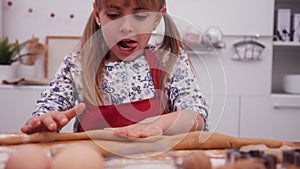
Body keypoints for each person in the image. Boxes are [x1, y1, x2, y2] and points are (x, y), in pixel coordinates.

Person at [21, 0, 208, 138]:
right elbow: (48, 110)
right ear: (97, 15)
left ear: (158, 18)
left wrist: (158, 124)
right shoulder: (77, 65)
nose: (126, 27)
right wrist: (45, 122)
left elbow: (195, 117)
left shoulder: (170, 61)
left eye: (140, 16)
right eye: (113, 15)